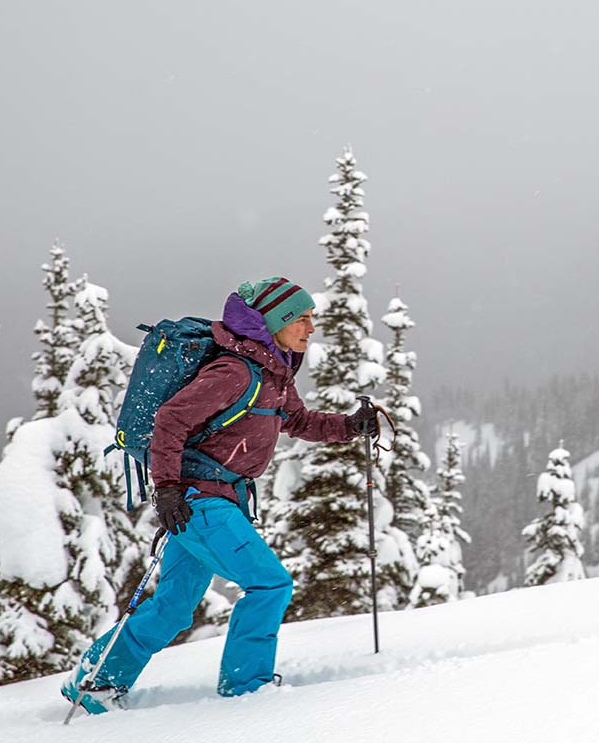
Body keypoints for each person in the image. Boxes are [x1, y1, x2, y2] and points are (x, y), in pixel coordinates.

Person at [62, 277, 378, 712]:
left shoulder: (274, 371)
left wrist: (349, 426)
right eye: (301, 319)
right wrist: (168, 490)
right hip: (199, 502)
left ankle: (96, 684)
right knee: (269, 584)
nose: (310, 329)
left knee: (173, 609)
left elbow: (298, 420)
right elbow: (170, 420)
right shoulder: (234, 372)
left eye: (312, 319)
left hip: (213, 501)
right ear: (274, 322)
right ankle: (247, 691)